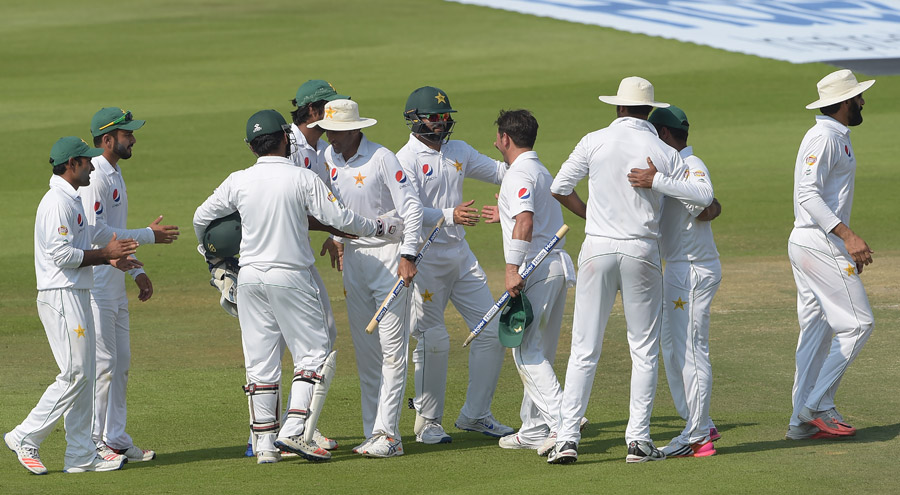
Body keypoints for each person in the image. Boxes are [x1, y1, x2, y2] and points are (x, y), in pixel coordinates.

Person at [193, 109, 396, 464]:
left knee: (260, 362)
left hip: (251, 277)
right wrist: (380, 227)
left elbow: (201, 217)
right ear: (285, 138)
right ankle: (293, 431)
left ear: (252, 146)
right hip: (291, 275)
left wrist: (214, 261)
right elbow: (341, 220)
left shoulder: (238, 180)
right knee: (315, 353)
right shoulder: (302, 177)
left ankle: (264, 447)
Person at [546, 76, 713, 464]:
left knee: (584, 348)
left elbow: (559, 186)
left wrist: (592, 215)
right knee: (643, 350)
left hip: (596, 247)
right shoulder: (663, 149)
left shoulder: (594, 139)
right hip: (641, 251)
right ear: (649, 111)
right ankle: (638, 441)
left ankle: (567, 439)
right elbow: (704, 198)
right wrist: (660, 180)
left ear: (618, 107)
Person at [5, 137, 141, 474]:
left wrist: (110, 261)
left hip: (77, 291)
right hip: (61, 295)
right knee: (76, 373)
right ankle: (24, 436)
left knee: (85, 373)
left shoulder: (73, 198)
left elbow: (82, 243)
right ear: (71, 165)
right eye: (86, 161)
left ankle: (80, 454)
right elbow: (62, 255)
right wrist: (105, 255)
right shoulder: (57, 203)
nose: (92, 165)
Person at [395, 86, 513, 445]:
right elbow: (408, 210)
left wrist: (528, 174)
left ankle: (476, 414)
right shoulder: (405, 159)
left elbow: (499, 172)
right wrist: (450, 215)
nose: (442, 123)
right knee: (434, 339)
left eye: (445, 116)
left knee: (491, 331)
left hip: (460, 257)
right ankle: (428, 422)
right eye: (435, 117)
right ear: (415, 119)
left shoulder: (457, 150)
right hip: (425, 258)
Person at [309, 99, 424, 457]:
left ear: (357, 129)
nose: (331, 136)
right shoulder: (327, 157)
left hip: (390, 258)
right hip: (355, 262)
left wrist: (408, 255)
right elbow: (339, 209)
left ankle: (390, 436)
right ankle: (371, 432)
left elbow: (413, 208)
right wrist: (338, 238)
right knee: (366, 353)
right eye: (328, 129)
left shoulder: (382, 158)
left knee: (392, 352)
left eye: (338, 131)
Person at [81, 107, 180, 464]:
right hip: (95, 287)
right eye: (127, 135)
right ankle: (92, 443)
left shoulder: (114, 173)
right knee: (104, 364)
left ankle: (116, 437)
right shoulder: (96, 177)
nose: (133, 139)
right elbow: (96, 234)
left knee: (120, 362)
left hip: (113, 284)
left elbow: (113, 236)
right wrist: (148, 236)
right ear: (107, 140)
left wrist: (136, 271)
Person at [786, 69, 875, 440]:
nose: (862, 101)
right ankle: (815, 406)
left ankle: (799, 422)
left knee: (818, 332)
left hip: (813, 241)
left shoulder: (835, 135)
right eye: (856, 97)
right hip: (818, 241)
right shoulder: (824, 137)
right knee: (858, 324)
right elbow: (808, 194)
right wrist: (848, 237)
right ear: (842, 103)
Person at [488, 109, 575, 452]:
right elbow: (524, 215)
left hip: (534, 269)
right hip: (554, 267)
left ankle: (563, 419)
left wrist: (512, 269)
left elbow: (525, 219)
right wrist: (504, 215)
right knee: (541, 350)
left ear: (506, 139)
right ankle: (535, 428)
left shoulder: (518, 173)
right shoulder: (538, 169)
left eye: (497, 137)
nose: (495, 142)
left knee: (524, 350)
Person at [646, 106, 722, 458]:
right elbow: (709, 206)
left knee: (691, 349)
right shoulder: (676, 169)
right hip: (678, 267)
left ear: (662, 135)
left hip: (691, 270)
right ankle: (698, 421)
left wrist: (655, 181)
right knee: (672, 347)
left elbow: (706, 198)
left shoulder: (690, 165)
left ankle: (697, 437)